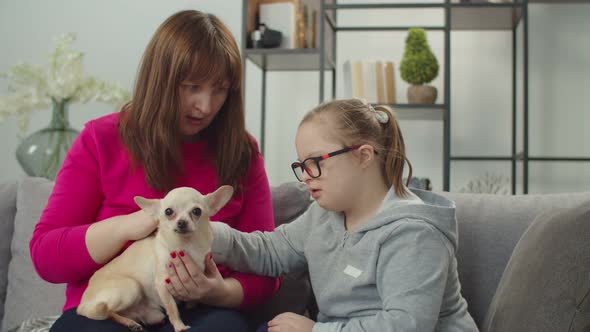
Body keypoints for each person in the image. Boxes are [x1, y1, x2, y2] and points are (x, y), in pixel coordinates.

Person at [30, 10, 279, 332]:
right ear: (160, 80)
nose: (205, 106)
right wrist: (129, 226)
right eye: (192, 87)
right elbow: (46, 257)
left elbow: (268, 264)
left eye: (220, 90)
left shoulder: (242, 151)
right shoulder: (100, 139)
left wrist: (219, 292)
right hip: (111, 309)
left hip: (204, 312)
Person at [210, 98, 479, 332]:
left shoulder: (415, 234)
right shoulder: (322, 216)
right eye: (302, 165)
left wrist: (317, 331)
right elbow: (269, 251)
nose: (305, 176)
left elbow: (405, 326)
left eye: (316, 162)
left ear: (364, 156)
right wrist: (205, 233)